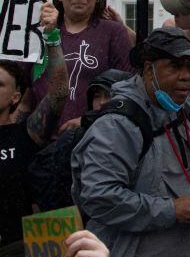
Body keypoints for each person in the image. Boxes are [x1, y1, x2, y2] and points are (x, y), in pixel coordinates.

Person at [71, 27, 190, 257]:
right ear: (147, 69)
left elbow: (182, 172)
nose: (187, 76)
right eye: (174, 66)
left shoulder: (177, 109)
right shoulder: (118, 124)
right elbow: (98, 196)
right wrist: (171, 209)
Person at [26, 0, 134, 134]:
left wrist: (87, 120)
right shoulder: (39, 31)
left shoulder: (113, 32)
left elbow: (127, 91)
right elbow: (18, 85)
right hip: (40, 143)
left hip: (94, 139)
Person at [0, 2, 69, 257]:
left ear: (15, 97)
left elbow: (59, 93)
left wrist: (52, 37)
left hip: (22, 249)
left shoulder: (25, 132)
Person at [29, 69, 132, 212]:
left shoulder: (140, 134)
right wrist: (68, 210)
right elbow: (42, 174)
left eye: (109, 95)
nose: (102, 103)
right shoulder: (75, 136)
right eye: (97, 96)